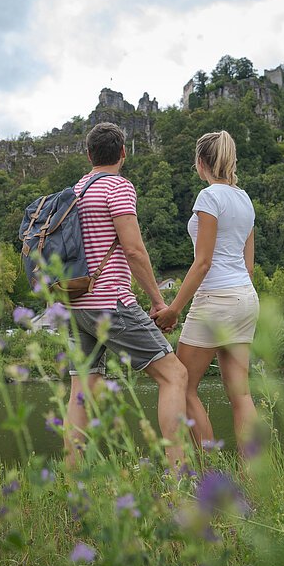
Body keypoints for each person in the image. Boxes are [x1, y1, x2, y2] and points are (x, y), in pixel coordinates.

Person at [64, 122, 188, 468]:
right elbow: (133, 249)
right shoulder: (117, 187)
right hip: (110, 303)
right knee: (174, 375)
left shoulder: (75, 191)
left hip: (75, 305)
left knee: (81, 393)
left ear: (89, 155)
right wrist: (158, 300)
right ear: (123, 153)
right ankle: (179, 476)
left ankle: (74, 487)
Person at [153, 130, 258, 457]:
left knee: (182, 385)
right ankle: (253, 477)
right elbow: (249, 265)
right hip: (245, 297)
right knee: (240, 394)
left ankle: (212, 472)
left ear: (201, 163)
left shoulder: (209, 197)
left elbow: (202, 262)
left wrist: (173, 309)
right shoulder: (244, 199)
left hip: (215, 299)